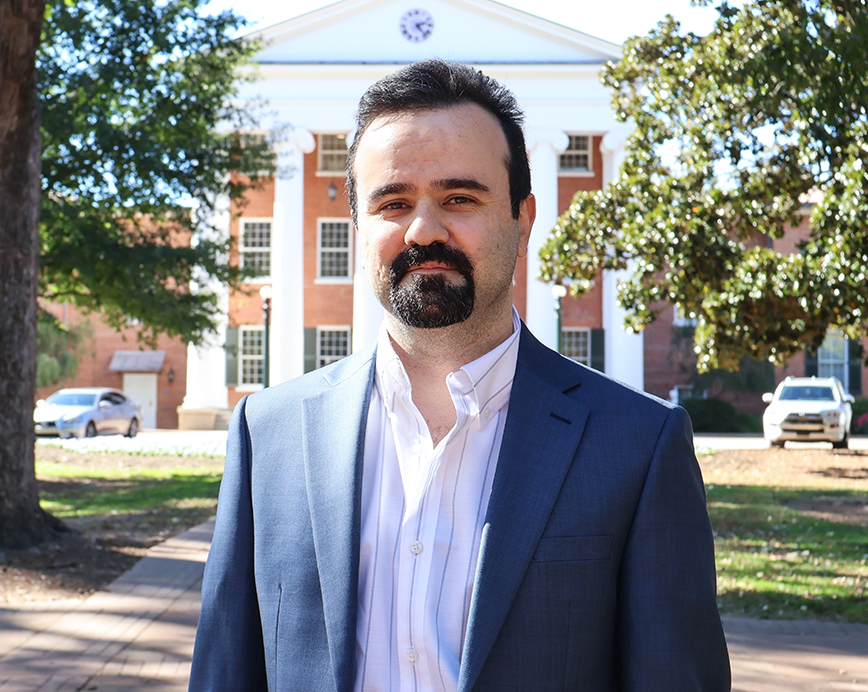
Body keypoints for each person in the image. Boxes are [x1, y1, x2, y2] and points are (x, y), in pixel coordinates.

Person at [189, 59, 730, 692]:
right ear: (359, 229)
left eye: (459, 198)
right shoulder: (270, 433)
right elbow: (227, 670)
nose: (424, 229)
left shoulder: (638, 444)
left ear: (522, 220)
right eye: (393, 203)